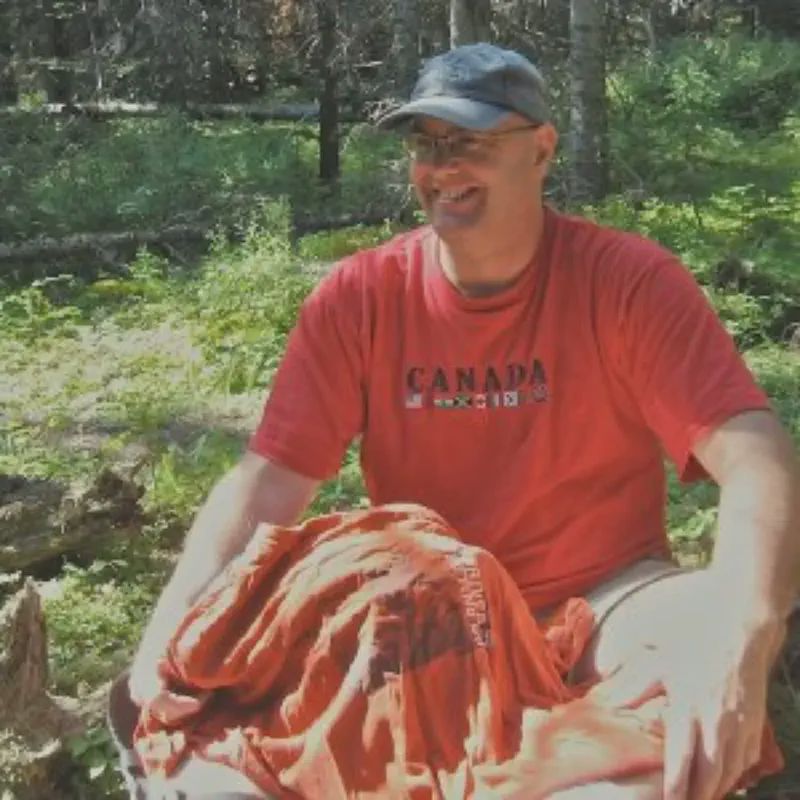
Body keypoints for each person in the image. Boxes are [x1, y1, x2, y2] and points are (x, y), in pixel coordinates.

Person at [129, 43, 800, 799]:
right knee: (234, 756)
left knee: (691, 698)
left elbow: (756, 458)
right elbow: (267, 482)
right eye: (427, 145)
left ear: (542, 149)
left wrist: (744, 636)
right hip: (427, 612)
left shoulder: (627, 282)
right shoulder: (361, 297)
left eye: (470, 142)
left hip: (606, 600)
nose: (441, 168)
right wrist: (172, 626)